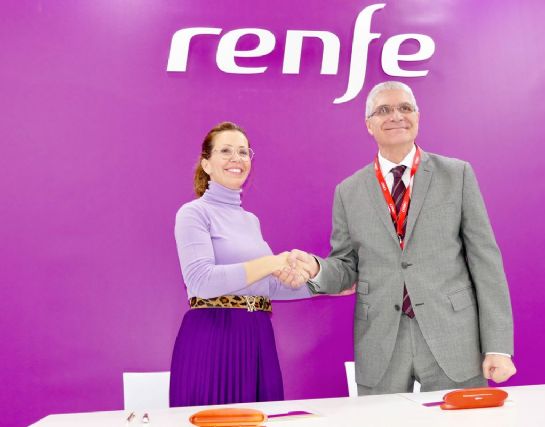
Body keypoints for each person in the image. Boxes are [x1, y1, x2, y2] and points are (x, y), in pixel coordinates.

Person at [276, 81, 516, 395]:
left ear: (417, 116)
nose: (396, 116)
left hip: (453, 337)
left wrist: (498, 346)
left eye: (405, 108)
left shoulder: (456, 174)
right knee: (381, 419)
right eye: (384, 110)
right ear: (369, 124)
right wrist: (317, 269)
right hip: (380, 342)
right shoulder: (348, 191)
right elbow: (347, 265)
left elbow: (485, 261)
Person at [169, 121, 311, 407]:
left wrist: (331, 284)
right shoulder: (194, 213)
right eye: (226, 151)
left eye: (243, 152)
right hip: (214, 338)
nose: (237, 158)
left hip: (258, 335)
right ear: (206, 164)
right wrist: (271, 262)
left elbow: (267, 286)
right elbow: (201, 281)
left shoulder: (251, 221)